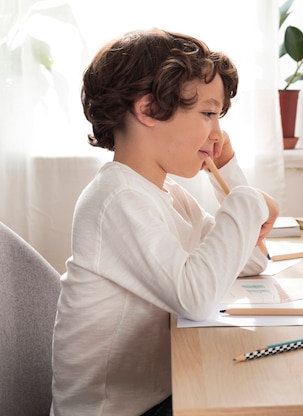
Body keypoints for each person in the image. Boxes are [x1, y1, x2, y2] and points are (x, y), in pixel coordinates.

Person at [50, 28, 279, 415]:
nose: (219, 135)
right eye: (208, 113)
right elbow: (196, 299)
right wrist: (247, 202)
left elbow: (251, 262)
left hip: (159, 395)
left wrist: (230, 174)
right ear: (148, 109)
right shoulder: (117, 199)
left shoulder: (168, 194)